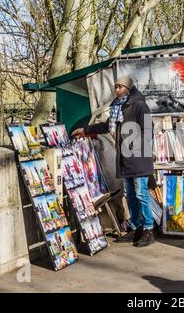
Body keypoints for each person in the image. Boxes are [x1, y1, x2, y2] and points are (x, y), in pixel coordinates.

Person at [71, 75, 155, 247]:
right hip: (124, 158)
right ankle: (136, 227)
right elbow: (106, 126)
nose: (116, 90)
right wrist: (85, 130)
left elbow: (148, 131)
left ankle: (148, 229)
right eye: (115, 87)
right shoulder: (118, 107)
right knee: (130, 194)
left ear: (129, 88)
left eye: (120, 87)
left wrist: (143, 156)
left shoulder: (140, 106)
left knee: (141, 194)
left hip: (138, 158)